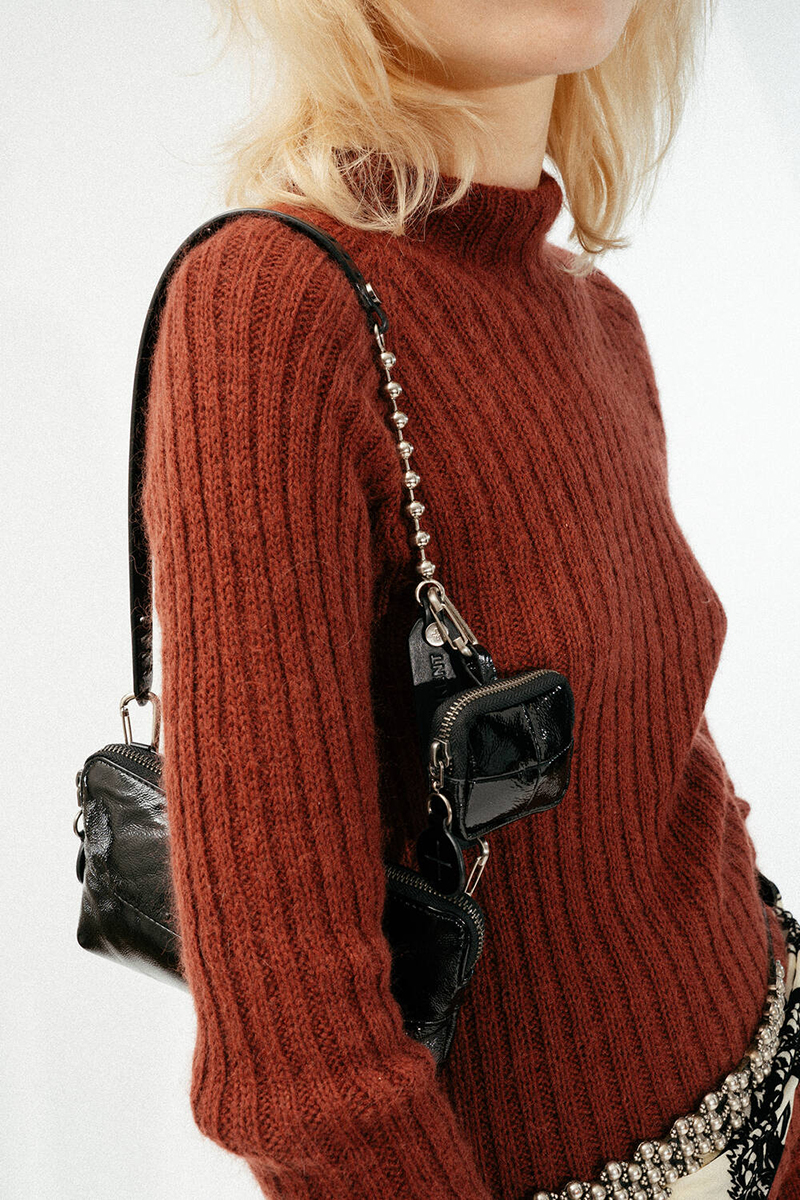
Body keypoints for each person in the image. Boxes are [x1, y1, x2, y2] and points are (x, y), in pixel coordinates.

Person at [139, 0, 800, 1195]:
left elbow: (662, 771)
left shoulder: (593, 315)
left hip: (773, 1076)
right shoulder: (267, 309)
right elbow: (297, 1065)